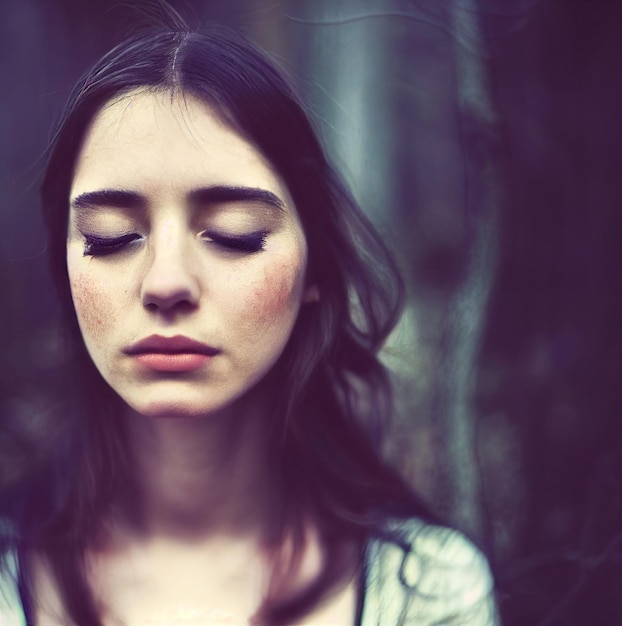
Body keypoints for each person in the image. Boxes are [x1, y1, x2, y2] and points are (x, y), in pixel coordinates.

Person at [0, 11, 499, 626]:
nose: (166, 283)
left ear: (314, 268)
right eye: (112, 237)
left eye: (234, 236)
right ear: (66, 273)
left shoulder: (429, 591)